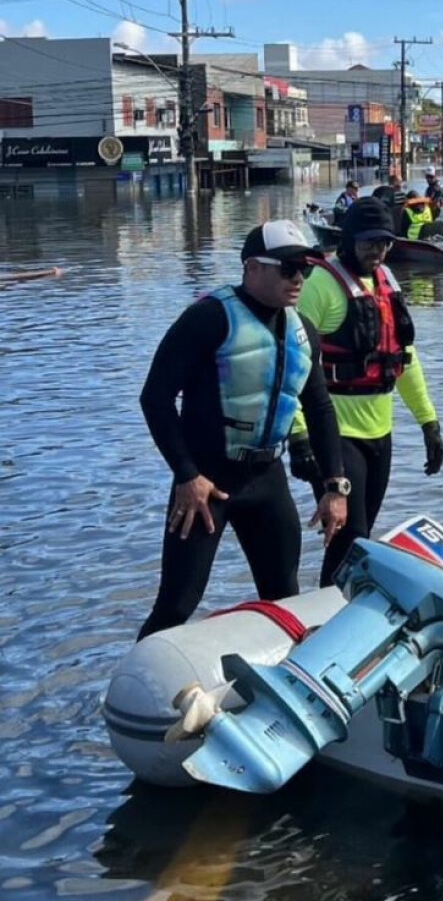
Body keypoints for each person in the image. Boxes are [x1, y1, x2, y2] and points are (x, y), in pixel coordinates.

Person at [137, 220, 348, 639]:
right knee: (177, 604)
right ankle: (134, 677)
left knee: (284, 598)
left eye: (305, 270)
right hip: (205, 484)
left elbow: (319, 408)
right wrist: (186, 474)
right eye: (288, 268)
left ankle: (283, 675)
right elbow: (155, 398)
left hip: (267, 480)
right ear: (252, 268)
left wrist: (334, 486)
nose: (298, 279)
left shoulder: (303, 331)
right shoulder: (207, 319)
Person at [291, 197, 443, 584]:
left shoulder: (385, 281)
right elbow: (289, 366)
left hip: (380, 433)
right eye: (369, 242)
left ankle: (336, 608)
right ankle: (324, 611)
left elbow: (404, 357)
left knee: (358, 543)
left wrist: (428, 422)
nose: (377, 250)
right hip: (335, 435)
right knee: (350, 539)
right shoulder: (319, 287)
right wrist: (299, 435)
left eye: (384, 242)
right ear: (348, 240)